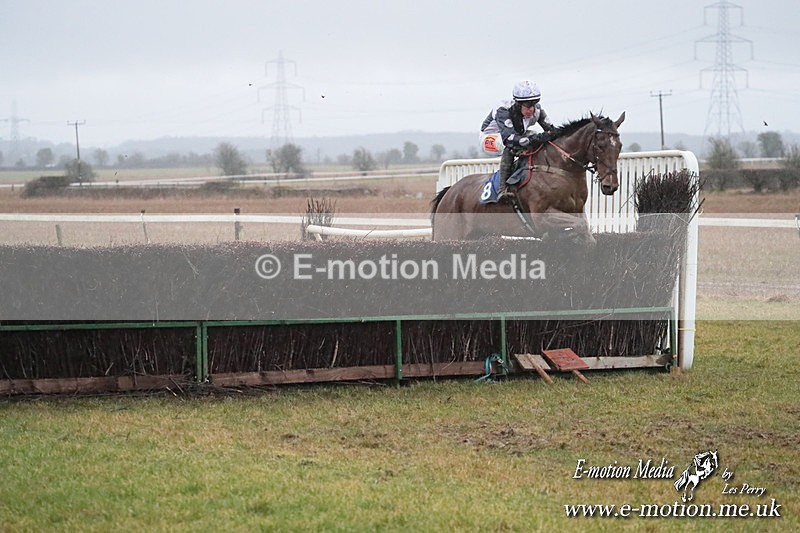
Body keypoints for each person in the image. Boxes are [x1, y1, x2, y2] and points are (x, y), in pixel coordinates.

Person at [480, 80, 555, 199]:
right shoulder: (503, 109)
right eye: (527, 104)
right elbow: (509, 139)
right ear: (518, 103)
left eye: (534, 103)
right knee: (511, 145)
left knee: (535, 137)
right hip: (491, 137)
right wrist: (539, 138)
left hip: (516, 135)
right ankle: (502, 188)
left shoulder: (537, 110)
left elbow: (553, 131)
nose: (531, 109)